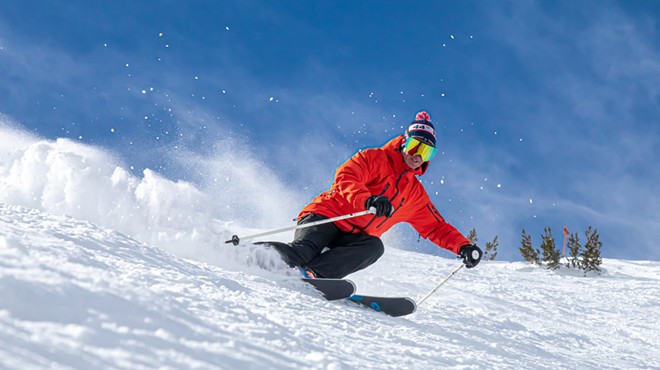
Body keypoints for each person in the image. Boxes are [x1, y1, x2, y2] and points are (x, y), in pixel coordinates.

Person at [265, 111, 482, 279]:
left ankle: (312, 275)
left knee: (373, 247)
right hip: (327, 216)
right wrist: (367, 200)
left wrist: (463, 246)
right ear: (405, 141)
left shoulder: (414, 194)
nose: (418, 156)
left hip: (351, 237)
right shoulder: (375, 158)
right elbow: (346, 176)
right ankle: (250, 255)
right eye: (416, 146)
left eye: (426, 152)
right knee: (302, 253)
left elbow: (436, 227)